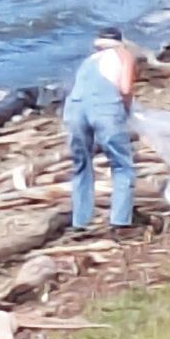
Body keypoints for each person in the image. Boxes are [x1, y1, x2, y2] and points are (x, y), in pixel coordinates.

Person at [62, 26, 144, 232]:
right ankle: (120, 221)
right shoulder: (123, 55)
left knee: (81, 165)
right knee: (121, 164)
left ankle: (80, 221)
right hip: (105, 109)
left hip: (75, 111)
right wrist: (126, 111)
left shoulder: (88, 62)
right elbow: (125, 88)